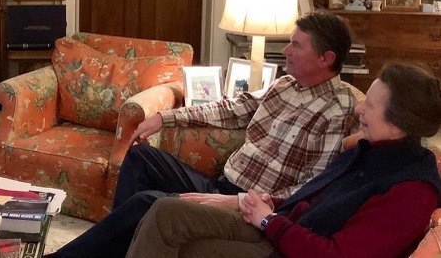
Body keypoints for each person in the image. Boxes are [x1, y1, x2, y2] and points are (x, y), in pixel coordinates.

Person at [46, 12, 359, 258]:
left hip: (248, 206)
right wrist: (164, 118)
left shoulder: (337, 108)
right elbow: (233, 108)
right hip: (224, 182)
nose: (287, 51)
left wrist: (236, 202)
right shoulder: (286, 84)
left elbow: (309, 190)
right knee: (141, 157)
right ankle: (120, 247)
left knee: (147, 203)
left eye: (297, 45)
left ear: (325, 58)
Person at [125, 62, 441, 258]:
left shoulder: (412, 191)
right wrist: (266, 205)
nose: (360, 109)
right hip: (282, 224)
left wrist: (269, 221)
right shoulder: (369, 150)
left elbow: (338, 255)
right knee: (165, 211)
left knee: (185, 248)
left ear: (399, 122)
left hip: (288, 245)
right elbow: (316, 200)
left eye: (370, 105)